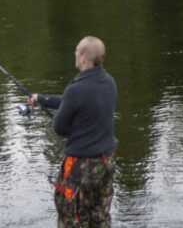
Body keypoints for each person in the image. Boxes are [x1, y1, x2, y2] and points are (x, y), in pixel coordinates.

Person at [28, 36, 117, 228]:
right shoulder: (109, 83)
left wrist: (69, 124)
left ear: (85, 57)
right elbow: (79, 102)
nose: (75, 53)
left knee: (72, 218)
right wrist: (43, 99)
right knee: (100, 218)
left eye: (77, 50)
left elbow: (59, 127)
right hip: (105, 163)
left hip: (79, 166)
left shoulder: (76, 89)